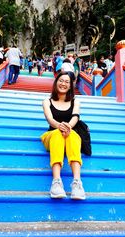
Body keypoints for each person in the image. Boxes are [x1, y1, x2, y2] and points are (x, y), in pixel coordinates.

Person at [41, 71, 86, 200]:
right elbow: (49, 119)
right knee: (57, 134)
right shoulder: (47, 101)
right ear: (56, 83)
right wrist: (59, 126)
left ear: (71, 86)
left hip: (69, 133)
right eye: (61, 81)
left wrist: (68, 127)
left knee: (72, 135)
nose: (63, 84)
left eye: (67, 82)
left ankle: (77, 183)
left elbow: (75, 117)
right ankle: (56, 182)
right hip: (52, 134)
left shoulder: (75, 102)